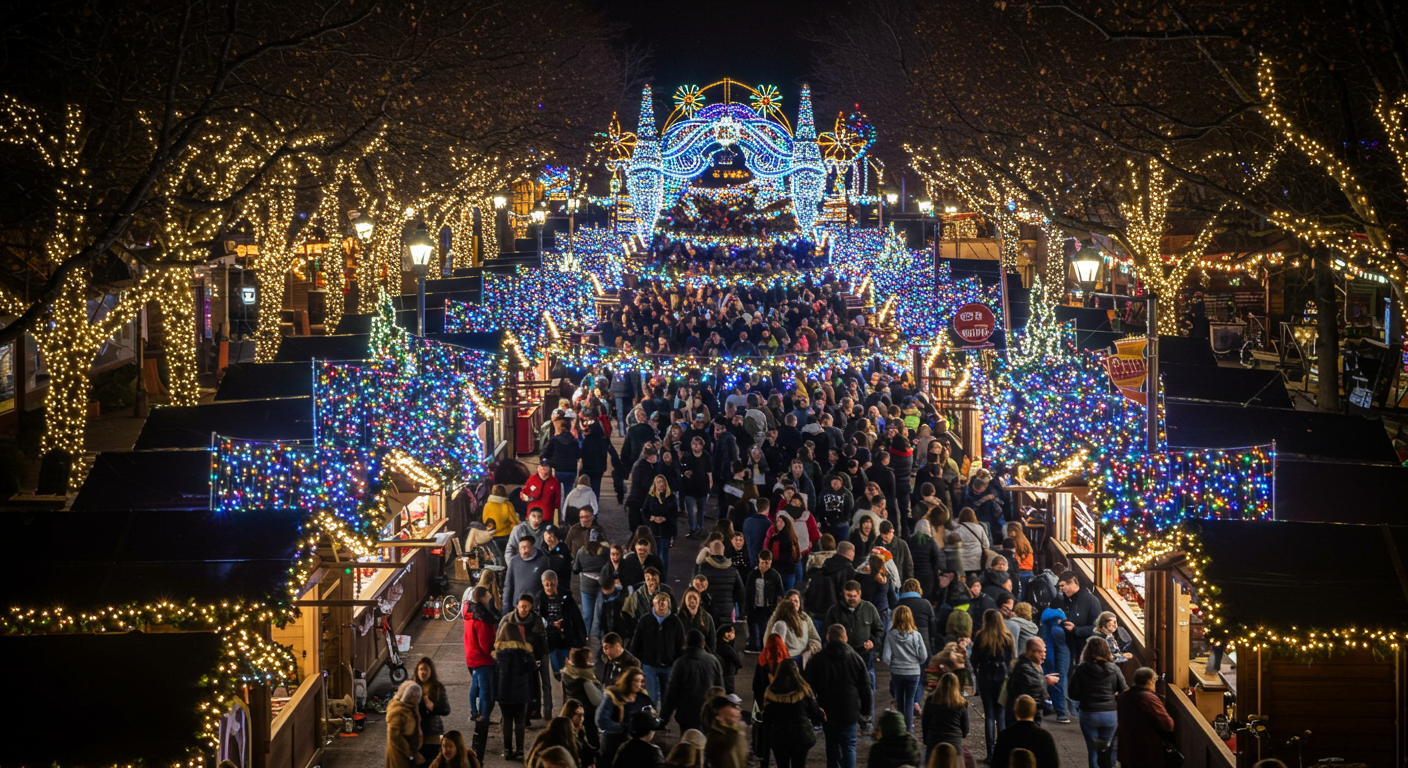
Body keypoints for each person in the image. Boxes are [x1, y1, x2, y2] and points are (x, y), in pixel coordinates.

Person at [805, 624, 873, 768]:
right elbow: (865, 688)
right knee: (849, 746)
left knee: (831, 747)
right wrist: (866, 712)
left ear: (828, 638)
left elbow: (808, 687)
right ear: (845, 638)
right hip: (850, 711)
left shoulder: (818, 659)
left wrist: (814, 709)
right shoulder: (855, 659)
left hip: (827, 712)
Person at [497, 595, 546, 759]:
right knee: (519, 721)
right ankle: (519, 750)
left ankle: (507, 750)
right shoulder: (524, 652)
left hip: (504, 693)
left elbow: (495, 674)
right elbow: (532, 669)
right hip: (521, 693)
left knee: (506, 721)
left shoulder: (499, 653)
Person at [1070, 636, 1127, 768]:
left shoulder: (1081, 669)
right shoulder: (1114, 668)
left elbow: (1072, 693)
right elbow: (1124, 689)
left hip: (1089, 713)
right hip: (1110, 713)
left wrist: (1085, 696)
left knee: (1093, 751)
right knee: (1107, 749)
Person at [756, 658, 822, 768]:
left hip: (779, 737)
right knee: (799, 764)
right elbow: (814, 713)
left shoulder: (771, 692)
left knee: (782, 764)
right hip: (801, 735)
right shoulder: (804, 690)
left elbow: (767, 717)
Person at [825, 581, 884, 697]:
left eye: (854, 596)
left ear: (860, 593)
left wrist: (873, 642)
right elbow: (827, 633)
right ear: (843, 594)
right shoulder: (835, 611)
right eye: (848, 596)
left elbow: (879, 630)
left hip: (865, 655)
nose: (852, 598)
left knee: (867, 690)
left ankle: (869, 714)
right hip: (842, 657)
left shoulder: (869, 608)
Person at [970, 608, 1015, 759]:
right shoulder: (1007, 637)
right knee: (1001, 715)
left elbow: (974, 658)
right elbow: (1010, 658)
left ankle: (990, 753)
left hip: (985, 676)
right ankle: (1001, 754)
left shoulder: (981, 636)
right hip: (1001, 676)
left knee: (989, 716)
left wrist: (977, 670)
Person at [660, 629, 725, 731]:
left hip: (686, 714)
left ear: (686, 643)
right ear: (703, 644)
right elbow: (720, 688)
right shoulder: (713, 661)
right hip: (708, 712)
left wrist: (664, 718)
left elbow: (671, 693)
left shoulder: (680, 663)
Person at [631, 592, 687, 704]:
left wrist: (678, 664)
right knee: (651, 699)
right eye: (658, 603)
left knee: (668, 699)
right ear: (653, 604)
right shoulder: (645, 620)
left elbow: (681, 644)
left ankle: (662, 721)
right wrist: (638, 662)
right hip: (649, 666)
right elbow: (636, 642)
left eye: (664, 603)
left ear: (668, 604)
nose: (661, 606)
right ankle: (652, 719)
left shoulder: (675, 622)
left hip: (669, 666)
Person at [1116, 667, 1175, 768]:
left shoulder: (1124, 696)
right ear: (1151, 681)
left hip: (1126, 750)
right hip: (1146, 751)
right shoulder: (1149, 698)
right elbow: (1167, 724)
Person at [882, 605, 928, 731]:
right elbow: (924, 656)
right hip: (913, 672)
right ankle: (909, 728)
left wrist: (894, 663)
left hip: (897, 672)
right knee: (910, 700)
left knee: (899, 700)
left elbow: (886, 657)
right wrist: (915, 662)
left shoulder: (890, 635)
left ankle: (901, 727)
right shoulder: (916, 635)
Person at [597, 667, 654, 767]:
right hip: (614, 743)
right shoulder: (613, 697)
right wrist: (622, 727)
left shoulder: (643, 698)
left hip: (636, 746)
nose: (639, 684)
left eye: (642, 681)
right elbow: (601, 720)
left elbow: (651, 716)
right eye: (636, 681)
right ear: (628, 681)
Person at [462, 586, 497, 729]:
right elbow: (485, 644)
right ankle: (483, 716)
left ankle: (474, 711)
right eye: (488, 597)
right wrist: (494, 652)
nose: (490, 599)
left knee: (475, 684)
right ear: (482, 598)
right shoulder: (481, 619)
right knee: (484, 689)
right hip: (483, 659)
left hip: (471, 656)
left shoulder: (470, 613)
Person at [991, 696, 1059, 768]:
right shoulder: (1045, 737)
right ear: (1035, 712)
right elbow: (1053, 764)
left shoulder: (1005, 736)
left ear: (1015, 711)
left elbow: (996, 764)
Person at [695, 535, 745, 629]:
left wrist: (698, 562)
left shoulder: (704, 568)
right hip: (727, 610)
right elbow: (741, 592)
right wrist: (742, 612)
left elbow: (695, 583)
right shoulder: (732, 570)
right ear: (723, 550)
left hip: (708, 609)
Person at [1006, 637, 1058, 726]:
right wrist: (1045, 680)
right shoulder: (1025, 667)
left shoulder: (1029, 665)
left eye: (1044, 652)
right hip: (1023, 715)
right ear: (1030, 652)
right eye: (1039, 652)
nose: (1043, 655)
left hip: (1029, 713)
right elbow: (1033, 683)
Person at [921, 672, 968, 759]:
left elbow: (925, 722)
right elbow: (965, 729)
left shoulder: (931, 700)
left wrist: (926, 740)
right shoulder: (961, 702)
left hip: (934, 742)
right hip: (954, 744)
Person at [745, 549, 785, 652]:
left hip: (768, 607)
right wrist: (746, 609)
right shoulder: (752, 575)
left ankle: (764, 648)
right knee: (753, 628)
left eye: (767, 563)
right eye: (762, 562)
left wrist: (776, 607)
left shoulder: (775, 576)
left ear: (771, 562)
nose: (764, 565)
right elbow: (748, 593)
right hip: (754, 606)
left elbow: (780, 592)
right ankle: (754, 646)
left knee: (765, 628)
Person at [413, 657, 452, 761]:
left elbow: (446, 709)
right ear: (417, 671)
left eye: (426, 669)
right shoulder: (411, 688)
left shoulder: (437, 687)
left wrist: (433, 706)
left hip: (432, 736)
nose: (423, 672)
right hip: (415, 736)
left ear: (431, 671)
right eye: (421, 669)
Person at [644, 474, 680, 576]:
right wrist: (653, 518)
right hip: (654, 530)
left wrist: (665, 518)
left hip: (666, 530)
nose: (661, 484)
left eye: (662, 482)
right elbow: (645, 512)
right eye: (659, 482)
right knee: (654, 554)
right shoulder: (650, 496)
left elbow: (674, 513)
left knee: (663, 555)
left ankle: (663, 576)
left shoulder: (671, 497)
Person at [504, 536, 550, 614]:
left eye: (526, 547)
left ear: (532, 547)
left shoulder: (543, 561)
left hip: (536, 607)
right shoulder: (514, 562)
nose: (523, 550)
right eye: (521, 548)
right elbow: (508, 586)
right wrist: (505, 609)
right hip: (518, 607)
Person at [386, 680, 425, 768]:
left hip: (406, 754)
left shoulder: (409, 707)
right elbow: (394, 735)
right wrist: (411, 754)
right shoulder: (399, 712)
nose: (415, 701)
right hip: (400, 756)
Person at [703, 695, 749, 768]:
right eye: (732, 706)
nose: (738, 708)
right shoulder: (716, 741)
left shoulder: (737, 733)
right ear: (718, 714)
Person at [560, 700, 599, 768]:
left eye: (582, 715)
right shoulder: (564, 733)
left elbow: (587, 748)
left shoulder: (580, 730)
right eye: (578, 715)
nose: (581, 719)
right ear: (570, 715)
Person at [482, 484, 520, 554]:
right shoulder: (507, 505)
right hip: (506, 536)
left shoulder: (487, 505)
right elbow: (514, 521)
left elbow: (485, 520)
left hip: (491, 536)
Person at [715, 623, 742, 694]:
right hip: (728, 674)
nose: (734, 634)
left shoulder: (716, 645)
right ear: (727, 634)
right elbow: (737, 661)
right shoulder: (727, 648)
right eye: (732, 632)